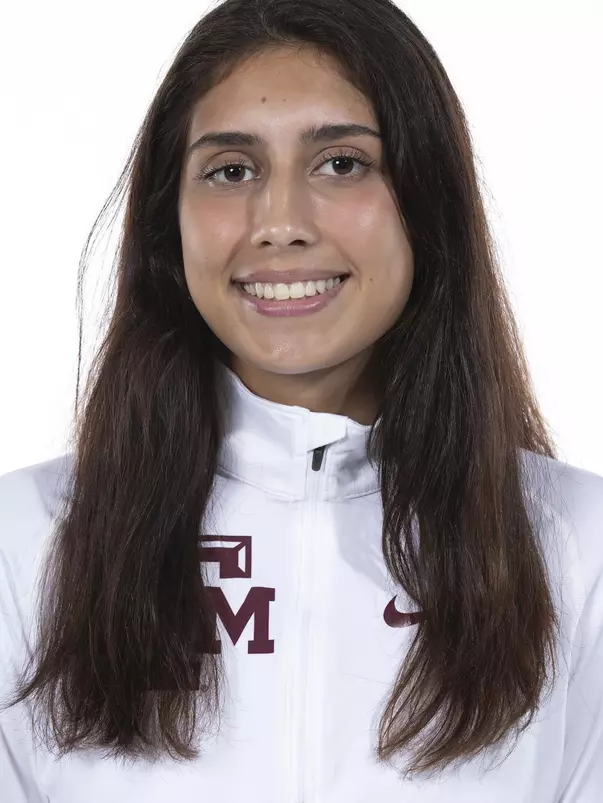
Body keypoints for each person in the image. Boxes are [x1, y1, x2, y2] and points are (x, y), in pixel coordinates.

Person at [1, 0, 602, 800]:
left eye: (341, 163)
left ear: (428, 200)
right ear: (168, 222)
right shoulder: (25, 543)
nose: (279, 222)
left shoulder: (579, 548)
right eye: (231, 170)